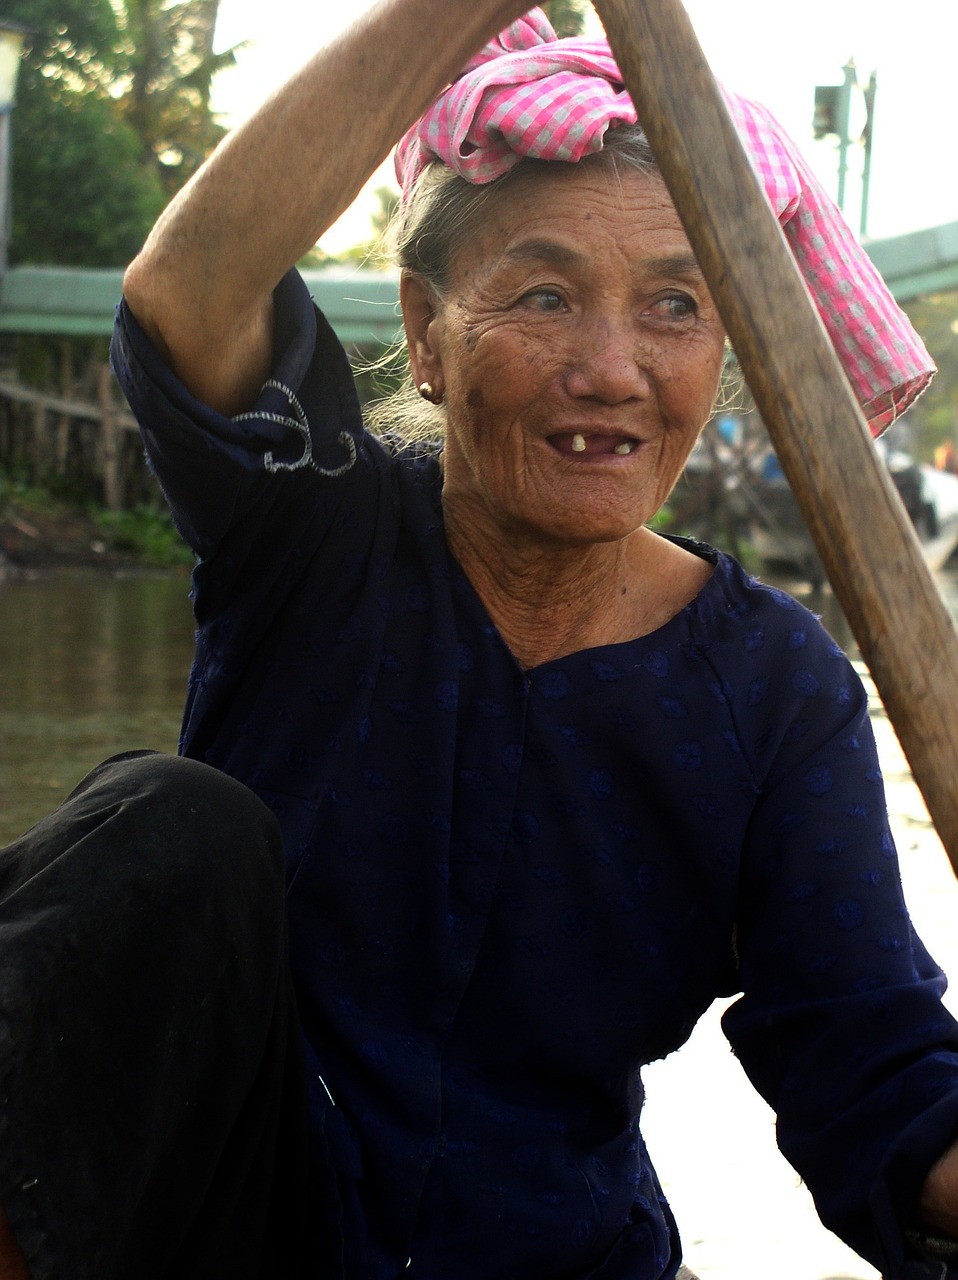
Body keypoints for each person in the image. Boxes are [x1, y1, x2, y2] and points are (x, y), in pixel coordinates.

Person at [2, 3, 958, 1277]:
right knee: (168, 823)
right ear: (425, 333)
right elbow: (189, 293)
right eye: (546, 294)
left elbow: (873, 1066)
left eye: (674, 305)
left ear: (724, 350)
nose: (612, 368)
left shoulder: (775, 688)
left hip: (555, 1254)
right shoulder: (314, 531)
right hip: (237, 1230)